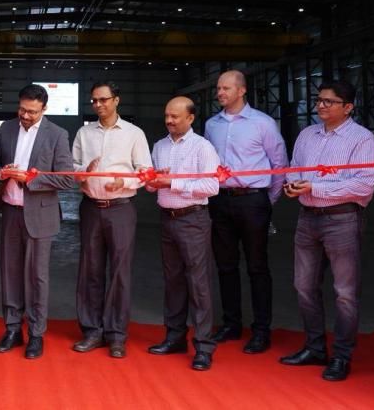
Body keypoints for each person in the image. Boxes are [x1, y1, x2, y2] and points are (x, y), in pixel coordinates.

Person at [280, 80, 374, 382]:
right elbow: (295, 167)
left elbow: (363, 185)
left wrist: (315, 187)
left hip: (342, 220)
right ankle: (315, 348)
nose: (321, 106)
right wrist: (293, 185)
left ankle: (341, 356)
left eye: (329, 102)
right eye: (319, 100)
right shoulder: (307, 135)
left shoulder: (362, 139)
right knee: (303, 286)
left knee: (345, 293)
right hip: (307, 218)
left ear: (348, 107)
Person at [0, 83, 75, 360]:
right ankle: (12, 329)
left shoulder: (57, 134)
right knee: (10, 272)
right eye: (22, 110)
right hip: (11, 211)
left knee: (36, 276)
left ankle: (36, 333)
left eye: (32, 112)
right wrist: (1, 173)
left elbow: (66, 179)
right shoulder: (6, 129)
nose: (25, 116)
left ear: (44, 109)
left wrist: (31, 179)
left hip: (40, 215)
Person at [203, 70, 288, 353]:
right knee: (225, 265)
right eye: (218, 88)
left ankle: (261, 330)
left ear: (242, 91)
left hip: (253, 201)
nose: (220, 93)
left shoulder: (262, 123)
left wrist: (268, 200)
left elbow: (279, 164)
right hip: (220, 200)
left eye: (226, 88)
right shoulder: (211, 125)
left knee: (257, 267)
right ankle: (231, 324)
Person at [70, 81, 151, 358]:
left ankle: (116, 335)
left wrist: (124, 182)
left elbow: (145, 170)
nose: (98, 105)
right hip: (91, 207)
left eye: (103, 99)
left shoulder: (134, 134)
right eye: (94, 100)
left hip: (120, 208)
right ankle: (92, 331)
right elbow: (72, 167)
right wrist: (83, 172)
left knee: (119, 272)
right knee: (90, 271)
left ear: (116, 100)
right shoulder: (84, 133)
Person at [146, 96, 219, 371]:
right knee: (173, 281)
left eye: (175, 116)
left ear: (190, 118)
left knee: (198, 284)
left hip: (193, 219)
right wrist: (154, 181)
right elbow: (150, 186)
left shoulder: (203, 147)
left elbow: (212, 187)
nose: (169, 120)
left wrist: (172, 183)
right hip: (167, 219)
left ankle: (203, 346)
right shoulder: (159, 146)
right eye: (167, 115)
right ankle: (175, 337)